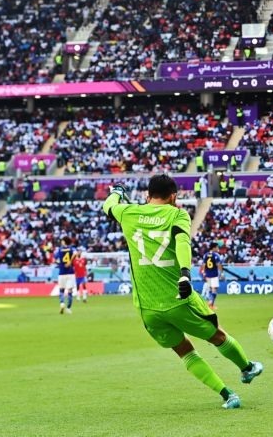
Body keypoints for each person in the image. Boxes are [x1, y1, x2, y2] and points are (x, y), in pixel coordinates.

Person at [102, 174, 262, 409]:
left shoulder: (128, 213)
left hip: (147, 307)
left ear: (148, 195)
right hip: (178, 298)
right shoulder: (177, 214)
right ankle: (247, 369)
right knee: (217, 336)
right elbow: (182, 242)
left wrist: (117, 191)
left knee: (185, 352)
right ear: (174, 196)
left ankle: (228, 395)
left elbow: (108, 205)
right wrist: (185, 273)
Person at [54, 237, 78, 314]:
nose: (61, 242)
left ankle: (62, 303)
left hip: (62, 272)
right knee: (70, 291)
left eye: (62, 241)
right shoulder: (72, 249)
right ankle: (68, 308)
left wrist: (59, 263)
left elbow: (55, 259)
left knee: (61, 290)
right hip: (70, 272)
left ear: (64, 242)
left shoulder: (59, 249)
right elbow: (75, 254)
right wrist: (70, 262)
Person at [200, 243, 223, 310]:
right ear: (213, 248)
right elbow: (218, 264)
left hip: (207, 275)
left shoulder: (205, 255)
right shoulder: (216, 255)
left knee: (210, 289)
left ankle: (210, 304)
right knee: (214, 289)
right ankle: (211, 304)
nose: (217, 249)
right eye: (217, 247)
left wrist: (204, 272)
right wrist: (221, 273)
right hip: (214, 275)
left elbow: (204, 265)